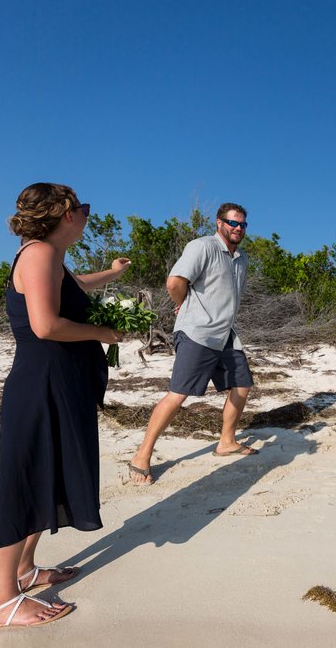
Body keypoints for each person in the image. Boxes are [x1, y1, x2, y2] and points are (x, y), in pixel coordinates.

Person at [0, 183, 128, 628]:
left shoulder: (49, 258)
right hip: (40, 386)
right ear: (65, 214)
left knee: (47, 475)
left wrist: (111, 274)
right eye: (82, 207)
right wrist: (103, 334)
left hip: (56, 385)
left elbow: (73, 286)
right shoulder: (39, 253)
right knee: (22, 485)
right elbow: (45, 325)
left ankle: (24, 570)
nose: (86, 214)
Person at [128, 203, 256, 485]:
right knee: (178, 394)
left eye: (242, 224)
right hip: (197, 332)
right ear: (219, 222)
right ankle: (142, 455)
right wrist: (184, 304)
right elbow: (174, 282)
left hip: (226, 334)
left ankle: (226, 442)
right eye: (232, 223)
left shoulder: (242, 259)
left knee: (242, 385)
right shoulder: (203, 247)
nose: (237, 228)